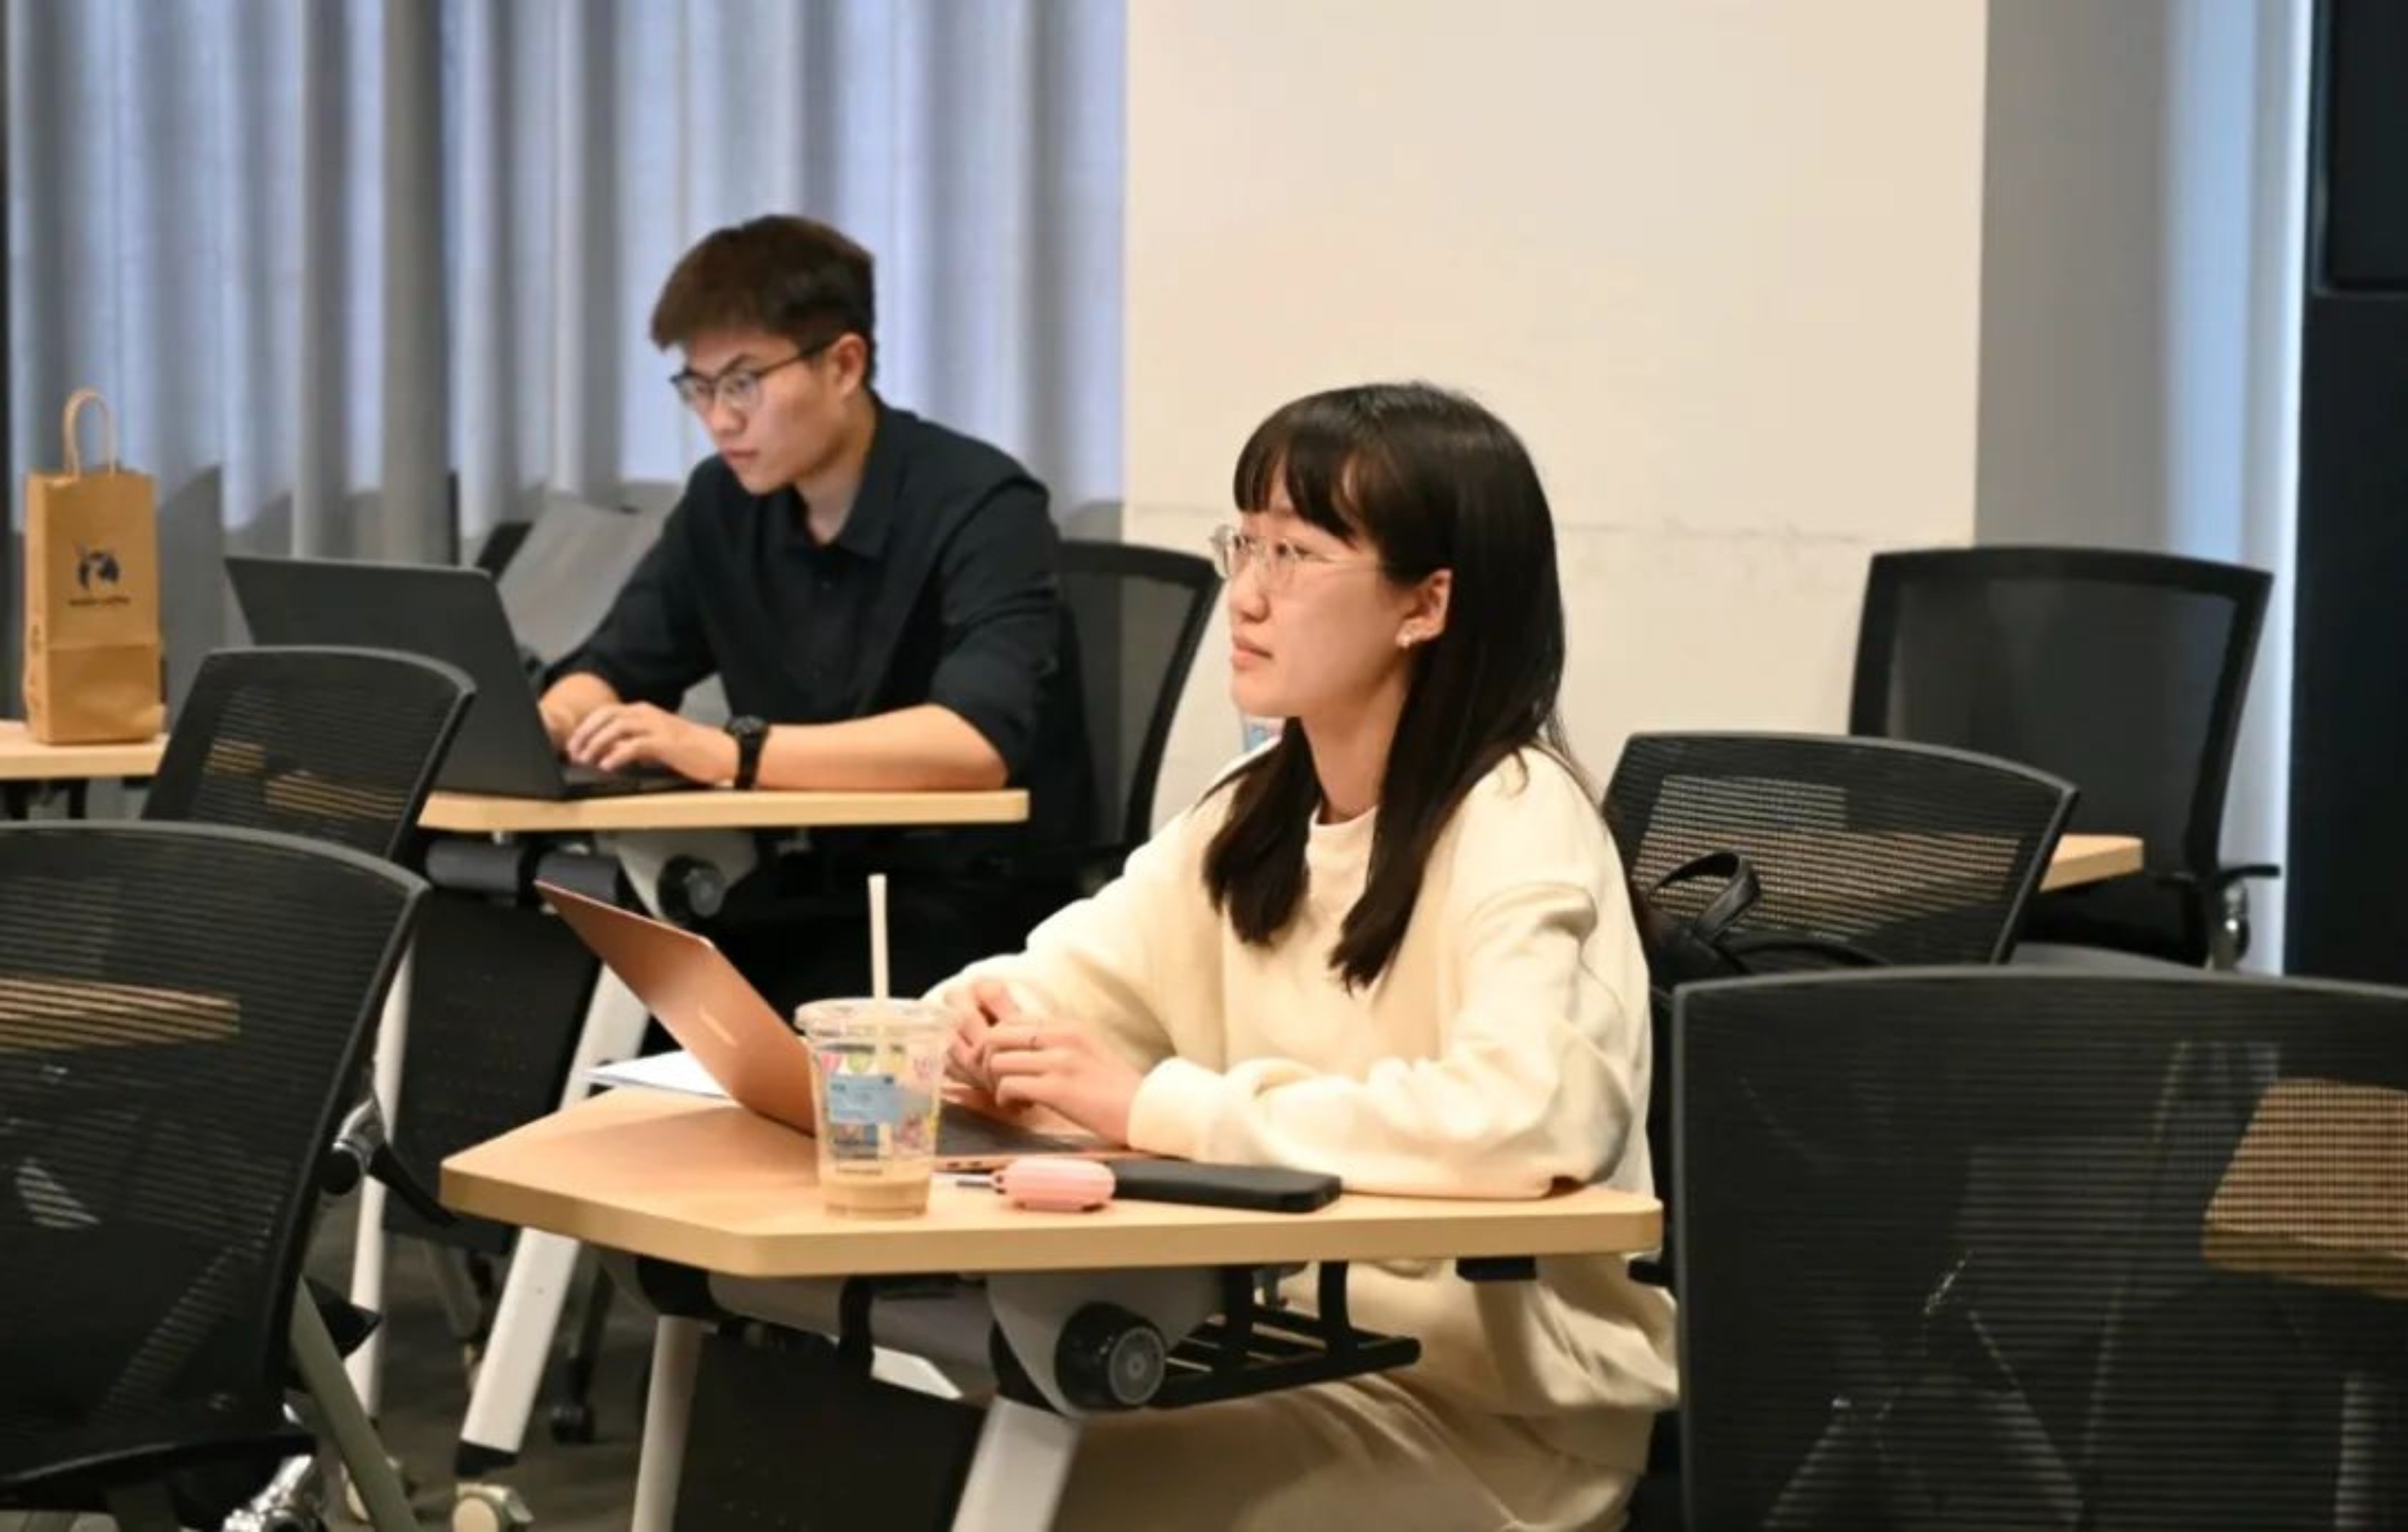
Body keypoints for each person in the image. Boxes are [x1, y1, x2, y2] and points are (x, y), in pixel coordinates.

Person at [940, 382, 1677, 1529]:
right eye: (1243, 543)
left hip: (1487, 1421)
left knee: (1015, 1492)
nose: (1243, 594)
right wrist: (957, 1033)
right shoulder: (1255, 806)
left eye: (1292, 554)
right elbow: (1055, 978)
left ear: (1425, 603)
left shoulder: (1516, 817)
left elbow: (1524, 1118)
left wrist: (1158, 1107)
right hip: (1282, 1347)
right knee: (922, 1446)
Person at [540, 214, 1091, 1000]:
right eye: (699, 388)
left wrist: (729, 753)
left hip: (973, 908)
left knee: (725, 1023)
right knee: (628, 1007)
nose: (720, 419)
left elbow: (974, 740)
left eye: (744, 383)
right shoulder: (722, 503)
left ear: (843, 363)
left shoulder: (981, 503)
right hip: (807, 889)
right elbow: (617, 662)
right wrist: (558, 719)